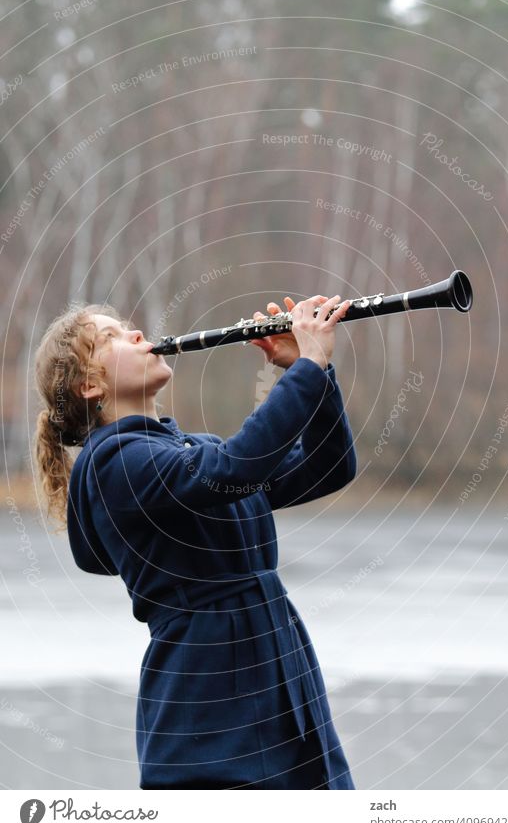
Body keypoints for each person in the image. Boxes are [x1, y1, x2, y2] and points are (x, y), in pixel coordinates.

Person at [33, 292, 357, 789]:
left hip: (279, 686)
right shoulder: (116, 466)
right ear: (90, 386)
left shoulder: (189, 454)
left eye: (128, 327)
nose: (137, 334)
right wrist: (308, 365)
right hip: (209, 717)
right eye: (110, 337)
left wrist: (312, 372)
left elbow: (328, 468)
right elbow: (237, 464)